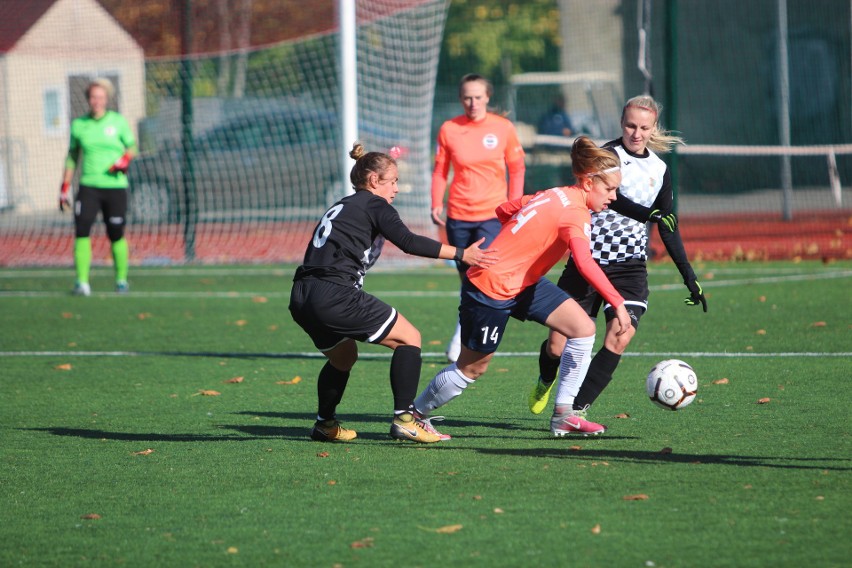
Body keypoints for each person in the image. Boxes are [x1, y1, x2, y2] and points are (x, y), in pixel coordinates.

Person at [413, 136, 631, 440]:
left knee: (582, 328)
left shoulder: (553, 194)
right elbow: (584, 262)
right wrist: (617, 303)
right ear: (587, 183)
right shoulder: (575, 212)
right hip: (490, 287)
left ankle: (564, 416)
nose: (614, 196)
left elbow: (505, 210)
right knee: (472, 368)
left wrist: (520, 243)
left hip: (521, 281)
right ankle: (413, 416)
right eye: (609, 188)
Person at [289, 142, 497, 444]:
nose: (396, 189)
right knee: (409, 338)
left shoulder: (342, 204)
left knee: (343, 357)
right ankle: (405, 419)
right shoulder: (375, 204)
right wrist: (462, 254)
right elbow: (409, 242)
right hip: (334, 293)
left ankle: (325, 424)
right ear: (374, 180)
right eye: (393, 181)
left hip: (302, 296)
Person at [527, 95, 708, 431]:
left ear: (654, 128)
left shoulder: (660, 169)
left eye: (643, 127)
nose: (635, 133)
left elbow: (668, 226)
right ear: (621, 123)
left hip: (629, 267)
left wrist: (690, 277)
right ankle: (545, 376)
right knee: (557, 344)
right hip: (587, 262)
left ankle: (575, 411)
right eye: (630, 125)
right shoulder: (606, 157)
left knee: (619, 335)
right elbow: (617, 202)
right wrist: (648, 214)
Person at [430, 73, 526, 362]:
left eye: (478, 96)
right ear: (461, 99)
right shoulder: (449, 129)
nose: (472, 102)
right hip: (459, 214)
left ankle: (466, 336)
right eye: (467, 97)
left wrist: (514, 204)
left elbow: (517, 168)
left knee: (483, 274)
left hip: (493, 215)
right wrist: (436, 202)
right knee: (465, 277)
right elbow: (440, 170)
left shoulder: (503, 128)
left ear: (487, 97)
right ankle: (466, 326)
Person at [60, 78, 137, 296]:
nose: (97, 101)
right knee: (82, 230)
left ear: (106, 99)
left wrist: (124, 160)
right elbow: (72, 157)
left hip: (115, 187)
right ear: (88, 99)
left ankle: (121, 280)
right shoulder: (79, 125)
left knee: (115, 233)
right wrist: (64, 186)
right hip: (88, 187)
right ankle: (82, 282)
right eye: (93, 97)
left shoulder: (118, 122)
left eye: (101, 97)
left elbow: (132, 148)